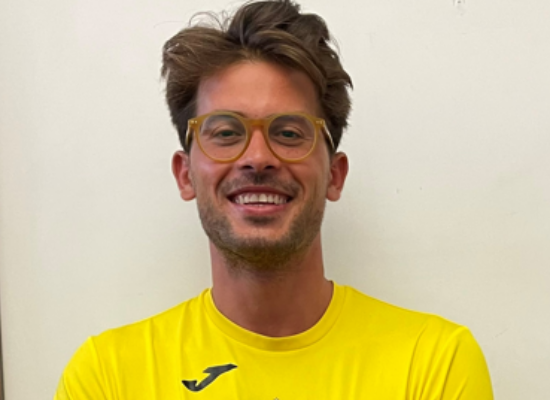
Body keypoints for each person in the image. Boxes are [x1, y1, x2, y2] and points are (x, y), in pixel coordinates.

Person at [55, 0, 493, 398]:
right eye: (226, 132)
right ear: (185, 174)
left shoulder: (434, 363)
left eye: (288, 133)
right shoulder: (108, 376)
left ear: (335, 175)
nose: (258, 158)